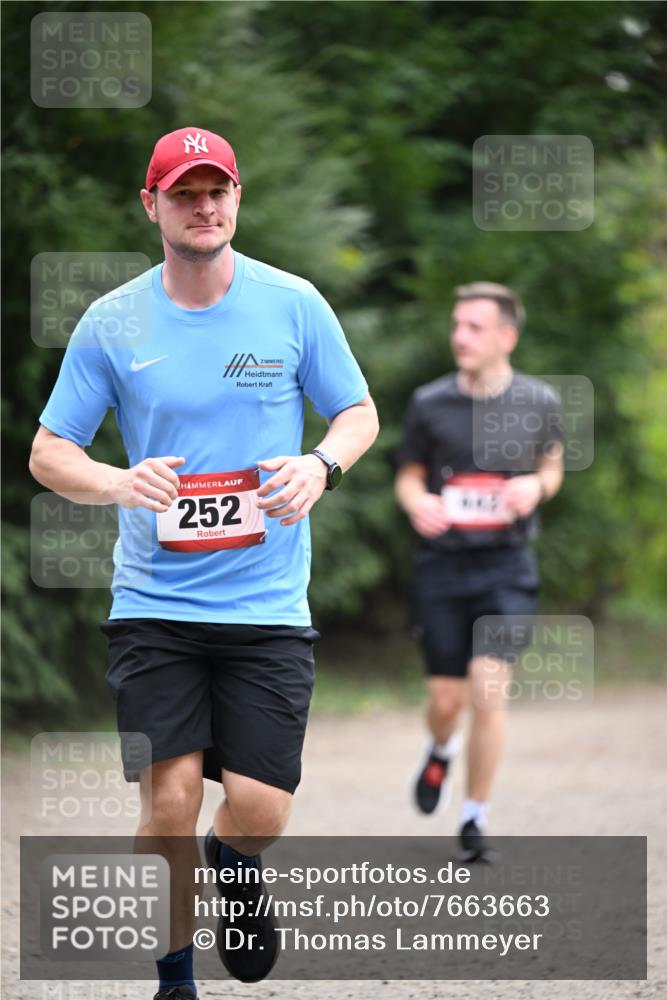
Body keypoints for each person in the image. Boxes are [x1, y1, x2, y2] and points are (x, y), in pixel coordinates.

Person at [29, 126, 379, 998]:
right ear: (152, 205)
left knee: (257, 812)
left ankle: (234, 860)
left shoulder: (293, 303)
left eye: (215, 189)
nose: (203, 206)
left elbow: (357, 413)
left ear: (236, 198)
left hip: (265, 607)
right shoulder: (113, 320)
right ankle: (174, 976)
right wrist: (117, 481)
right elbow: (48, 452)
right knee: (170, 802)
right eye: (183, 193)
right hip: (154, 603)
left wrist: (318, 465)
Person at [394, 282, 563, 860]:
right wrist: (417, 502)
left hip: (506, 566)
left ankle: (474, 816)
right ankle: (440, 749)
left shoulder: (540, 401)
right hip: (442, 566)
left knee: (489, 688)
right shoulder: (428, 402)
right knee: (446, 700)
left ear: (506, 337)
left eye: (474, 327)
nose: (459, 336)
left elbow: (552, 467)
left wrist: (535, 487)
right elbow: (409, 475)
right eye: (456, 325)